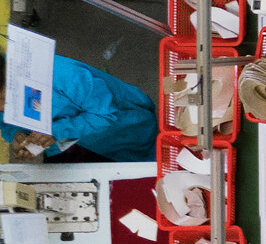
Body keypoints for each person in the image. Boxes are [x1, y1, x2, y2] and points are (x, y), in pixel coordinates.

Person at [4, 54, 156, 164]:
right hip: (81, 146)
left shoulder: (62, 74)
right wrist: (16, 134)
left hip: (124, 130)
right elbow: (5, 124)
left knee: (155, 163)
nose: (3, 109)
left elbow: (106, 115)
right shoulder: (6, 97)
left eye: (2, 99)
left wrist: (55, 131)